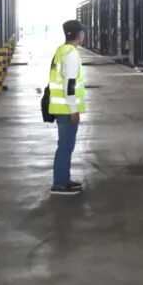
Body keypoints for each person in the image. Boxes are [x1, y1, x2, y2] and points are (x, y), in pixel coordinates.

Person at [48, 19, 86, 196]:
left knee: (65, 146)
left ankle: (64, 179)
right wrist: (73, 109)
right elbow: (69, 84)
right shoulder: (71, 54)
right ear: (79, 35)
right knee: (65, 147)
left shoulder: (61, 50)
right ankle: (59, 184)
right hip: (66, 110)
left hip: (60, 108)